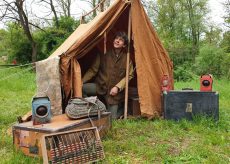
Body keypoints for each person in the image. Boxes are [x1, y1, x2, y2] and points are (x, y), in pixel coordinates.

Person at [82, 31, 134, 119]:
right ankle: (94, 108)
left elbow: (129, 76)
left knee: (111, 119)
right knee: (81, 88)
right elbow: (93, 70)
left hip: (113, 94)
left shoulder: (127, 59)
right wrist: (81, 81)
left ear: (124, 45)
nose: (117, 41)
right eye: (116, 38)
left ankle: (121, 109)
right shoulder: (103, 54)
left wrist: (117, 87)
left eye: (120, 40)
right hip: (100, 86)